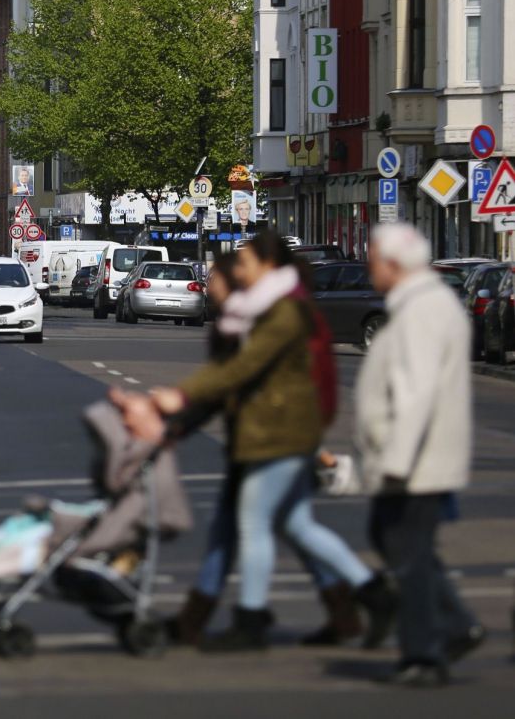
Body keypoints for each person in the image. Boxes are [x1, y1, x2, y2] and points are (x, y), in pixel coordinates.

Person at [146, 232, 393, 652]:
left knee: (253, 524)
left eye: (243, 262)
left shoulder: (283, 312)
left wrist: (181, 397)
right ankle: (368, 595)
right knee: (294, 525)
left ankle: (252, 619)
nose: (235, 271)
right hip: (271, 432)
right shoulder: (256, 311)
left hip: (279, 433)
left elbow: (244, 368)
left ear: (266, 265)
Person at [354, 223, 482, 686]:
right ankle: (456, 624)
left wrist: (396, 462)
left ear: (393, 264)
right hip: (413, 459)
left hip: (415, 462)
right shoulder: (416, 305)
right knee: (406, 547)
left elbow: (417, 392)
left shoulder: (423, 310)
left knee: (407, 554)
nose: (368, 268)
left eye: (372, 260)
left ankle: (424, 656)